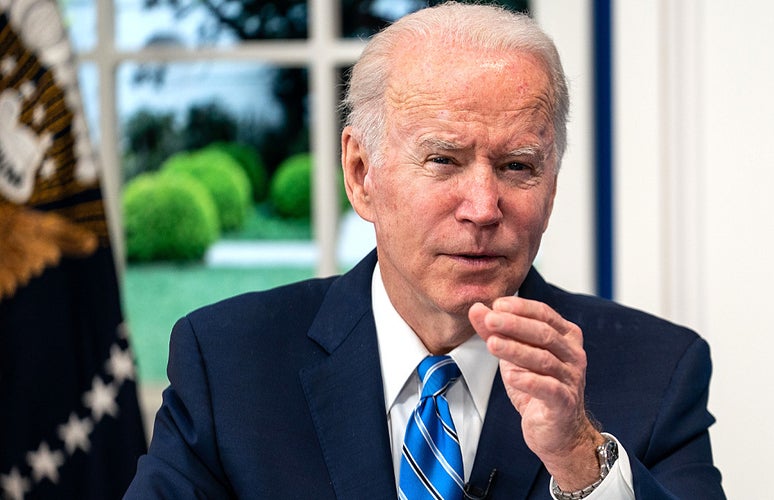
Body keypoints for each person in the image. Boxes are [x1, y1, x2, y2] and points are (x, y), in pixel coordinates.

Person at [125, 3, 725, 499]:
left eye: (518, 166)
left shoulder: (658, 372)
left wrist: (578, 456)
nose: (484, 207)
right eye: (444, 161)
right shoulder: (228, 362)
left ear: (552, 184)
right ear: (361, 174)